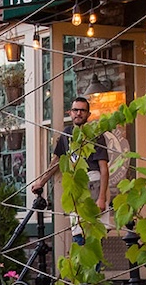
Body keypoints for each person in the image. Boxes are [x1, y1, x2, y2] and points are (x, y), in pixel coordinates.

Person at [30, 96, 109, 247]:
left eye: (82, 110)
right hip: (76, 188)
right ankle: (80, 269)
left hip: (94, 185)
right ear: (70, 113)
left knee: (93, 237)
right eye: (75, 110)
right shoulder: (67, 134)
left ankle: (94, 270)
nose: (78, 113)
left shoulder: (95, 134)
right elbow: (57, 161)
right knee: (78, 234)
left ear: (88, 114)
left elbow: (103, 168)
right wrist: (41, 182)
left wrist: (102, 197)